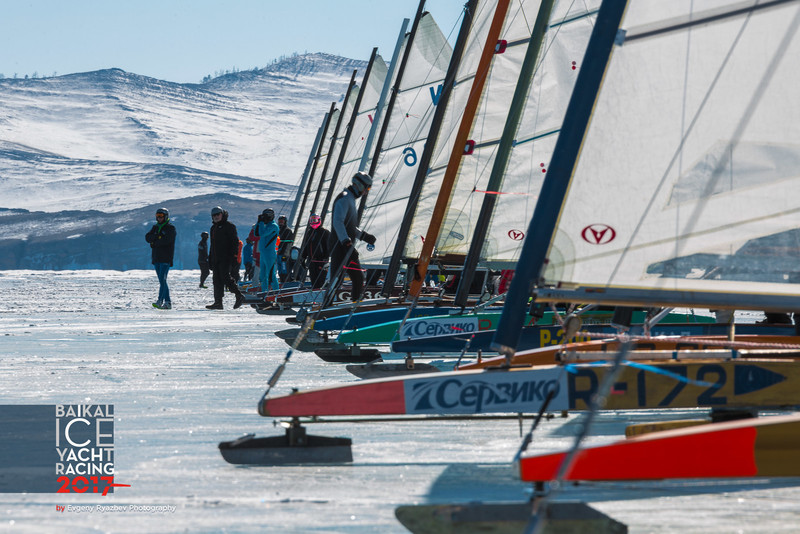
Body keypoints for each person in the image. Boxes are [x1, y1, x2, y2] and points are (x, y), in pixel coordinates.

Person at [326, 172, 376, 305]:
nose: (366, 192)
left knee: (356, 277)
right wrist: (347, 243)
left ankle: (353, 305)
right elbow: (338, 222)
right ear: (359, 185)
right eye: (367, 188)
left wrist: (364, 236)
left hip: (344, 245)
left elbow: (350, 226)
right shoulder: (344, 198)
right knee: (341, 277)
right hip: (340, 246)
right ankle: (328, 306)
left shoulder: (350, 199)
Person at [206, 206, 245, 310]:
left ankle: (239, 295)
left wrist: (233, 257)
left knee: (225, 278)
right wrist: (210, 259)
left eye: (218, 214)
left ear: (222, 214)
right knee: (216, 280)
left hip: (226, 258)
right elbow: (212, 245)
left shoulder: (229, 226)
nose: (216, 217)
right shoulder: (213, 228)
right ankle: (218, 302)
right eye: (214, 215)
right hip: (216, 259)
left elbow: (235, 242)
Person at [145, 207, 176, 309]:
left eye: (161, 216)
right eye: (157, 216)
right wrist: (156, 238)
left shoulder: (170, 228)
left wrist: (155, 240)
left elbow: (166, 241)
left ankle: (160, 300)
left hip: (165, 258)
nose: (159, 218)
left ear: (166, 216)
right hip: (156, 258)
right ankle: (167, 302)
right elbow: (147, 237)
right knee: (162, 281)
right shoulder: (155, 227)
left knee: (163, 280)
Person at [301, 213, 330, 289]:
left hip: (321, 261)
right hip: (312, 262)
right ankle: (314, 298)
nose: (314, 222)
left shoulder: (325, 232)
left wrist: (325, 258)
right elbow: (306, 246)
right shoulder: (309, 232)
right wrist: (303, 257)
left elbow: (329, 247)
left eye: (315, 220)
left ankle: (322, 297)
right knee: (314, 282)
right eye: (312, 220)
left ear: (319, 220)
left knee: (321, 282)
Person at [256, 208, 280, 292]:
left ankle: (277, 293)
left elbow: (262, 233)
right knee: (262, 276)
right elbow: (256, 233)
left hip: (270, 254)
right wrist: (258, 222)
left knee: (271, 275)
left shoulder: (273, 226)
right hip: (263, 253)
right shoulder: (266, 225)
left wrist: (261, 222)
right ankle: (264, 292)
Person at [277, 215, 293, 283]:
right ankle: (281, 281)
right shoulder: (277, 230)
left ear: (285, 222)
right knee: (280, 269)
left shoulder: (288, 231)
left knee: (285, 269)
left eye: (282, 222)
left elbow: (289, 244)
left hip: (284, 254)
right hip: (278, 254)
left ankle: (287, 281)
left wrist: (285, 254)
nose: (280, 223)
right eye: (279, 221)